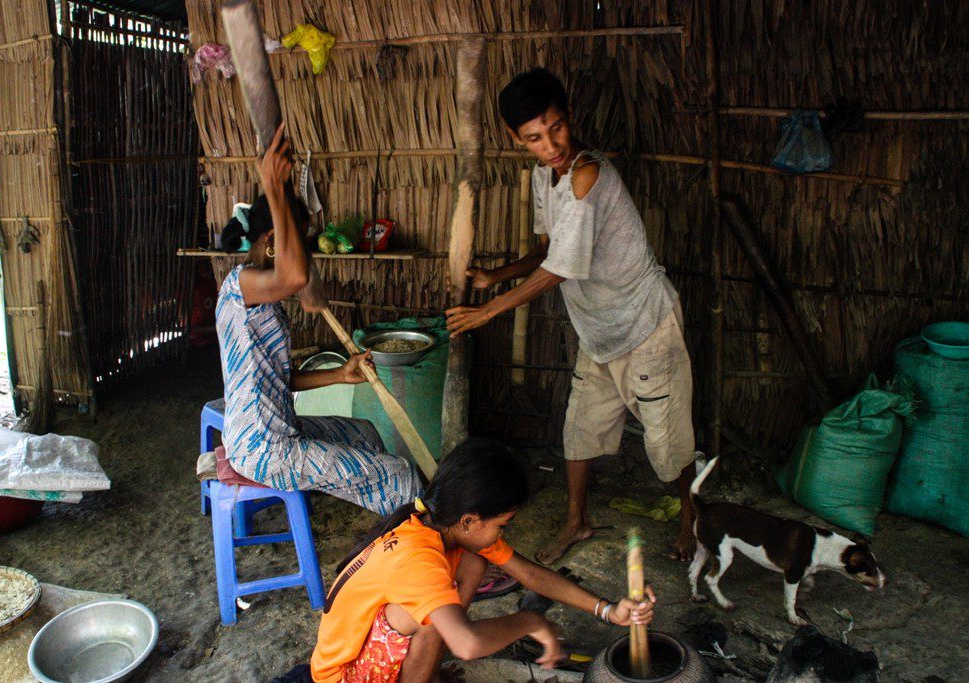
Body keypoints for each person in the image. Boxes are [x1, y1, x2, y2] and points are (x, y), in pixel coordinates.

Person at [445, 68, 699, 564]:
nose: (550, 145)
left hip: (646, 325)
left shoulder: (588, 174)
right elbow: (547, 251)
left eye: (556, 127)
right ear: (515, 138)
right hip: (600, 331)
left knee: (669, 443)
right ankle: (577, 521)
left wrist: (488, 311)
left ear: (569, 116)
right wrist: (496, 277)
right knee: (579, 431)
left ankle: (693, 519)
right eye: (535, 138)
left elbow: (560, 270)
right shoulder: (547, 176)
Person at [309, 438, 656, 682]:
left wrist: (608, 610)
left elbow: (530, 575)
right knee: (432, 614)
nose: (503, 535)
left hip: (366, 651)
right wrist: (529, 622)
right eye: (502, 525)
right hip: (344, 676)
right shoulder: (418, 557)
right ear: (470, 520)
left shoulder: (445, 525)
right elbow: (467, 645)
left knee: (470, 567)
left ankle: (425, 673)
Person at [215, 123, 421, 515]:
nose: (306, 256)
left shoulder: (261, 295)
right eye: (300, 243)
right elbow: (295, 276)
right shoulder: (241, 286)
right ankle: (415, 548)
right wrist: (274, 188)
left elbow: (280, 378)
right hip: (265, 450)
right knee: (401, 475)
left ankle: (391, 526)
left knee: (363, 433)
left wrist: (340, 374)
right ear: (272, 240)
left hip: (278, 432)